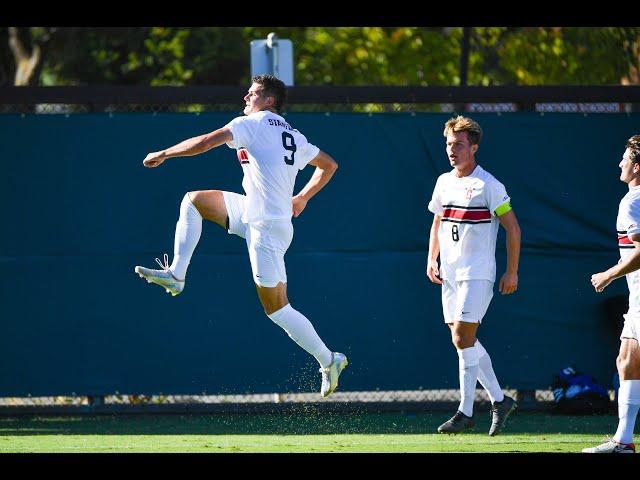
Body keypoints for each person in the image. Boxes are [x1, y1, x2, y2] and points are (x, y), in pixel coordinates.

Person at [134, 74, 348, 398]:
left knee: (277, 309)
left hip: (267, 228)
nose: (246, 96)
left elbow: (207, 141)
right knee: (193, 201)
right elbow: (328, 164)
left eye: (254, 92)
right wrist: (302, 197)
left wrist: (164, 153)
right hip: (254, 212)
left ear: (270, 100)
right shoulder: (293, 134)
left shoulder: (255, 123)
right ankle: (177, 274)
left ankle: (328, 359)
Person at [426, 115, 521, 435]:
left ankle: (465, 412)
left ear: (474, 147)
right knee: (464, 341)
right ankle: (499, 399)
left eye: (460, 145)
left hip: (477, 274)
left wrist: (511, 271)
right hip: (450, 274)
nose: (453, 150)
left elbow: (513, 229)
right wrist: (432, 258)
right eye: (449, 144)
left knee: (461, 338)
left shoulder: (489, 185)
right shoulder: (443, 181)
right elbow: (438, 221)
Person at [583, 135, 640, 454]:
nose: (620, 164)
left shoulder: (632, 201)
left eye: (625, 160)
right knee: (627, 359)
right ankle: (624, 440)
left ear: (638, 167)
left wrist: (608, 274)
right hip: (636, 298)